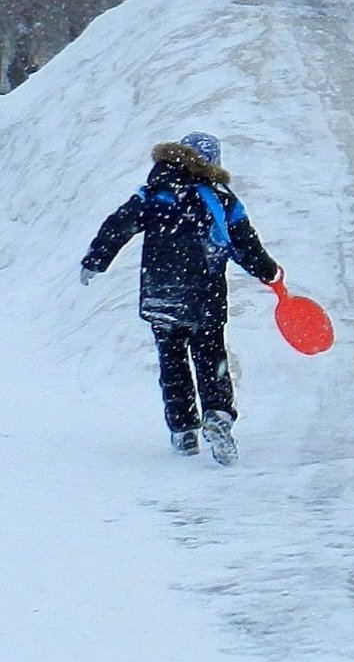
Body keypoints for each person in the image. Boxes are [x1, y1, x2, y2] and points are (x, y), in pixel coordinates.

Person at [79, 133, 281, 465]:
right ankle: (216, 414)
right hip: (205, 296)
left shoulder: (156, 192)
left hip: (161, 294)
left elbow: (120, 224)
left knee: (172, 363)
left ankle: (184, 430)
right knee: (210, 359)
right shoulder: (221, 198)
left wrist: (95, 260)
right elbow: (245, 243)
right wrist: (268, 271)